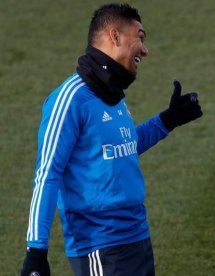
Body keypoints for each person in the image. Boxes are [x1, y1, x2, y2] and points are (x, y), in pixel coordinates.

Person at [20, 3, 202, 276]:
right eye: (140, 37)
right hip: (100, 246)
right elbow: (48, 173)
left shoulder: (112, 96)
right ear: (114, 37)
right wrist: (36, 251)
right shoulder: (70, 99)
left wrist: (167, 120)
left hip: (137, 237)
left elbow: (121, 149)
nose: (145, 49)